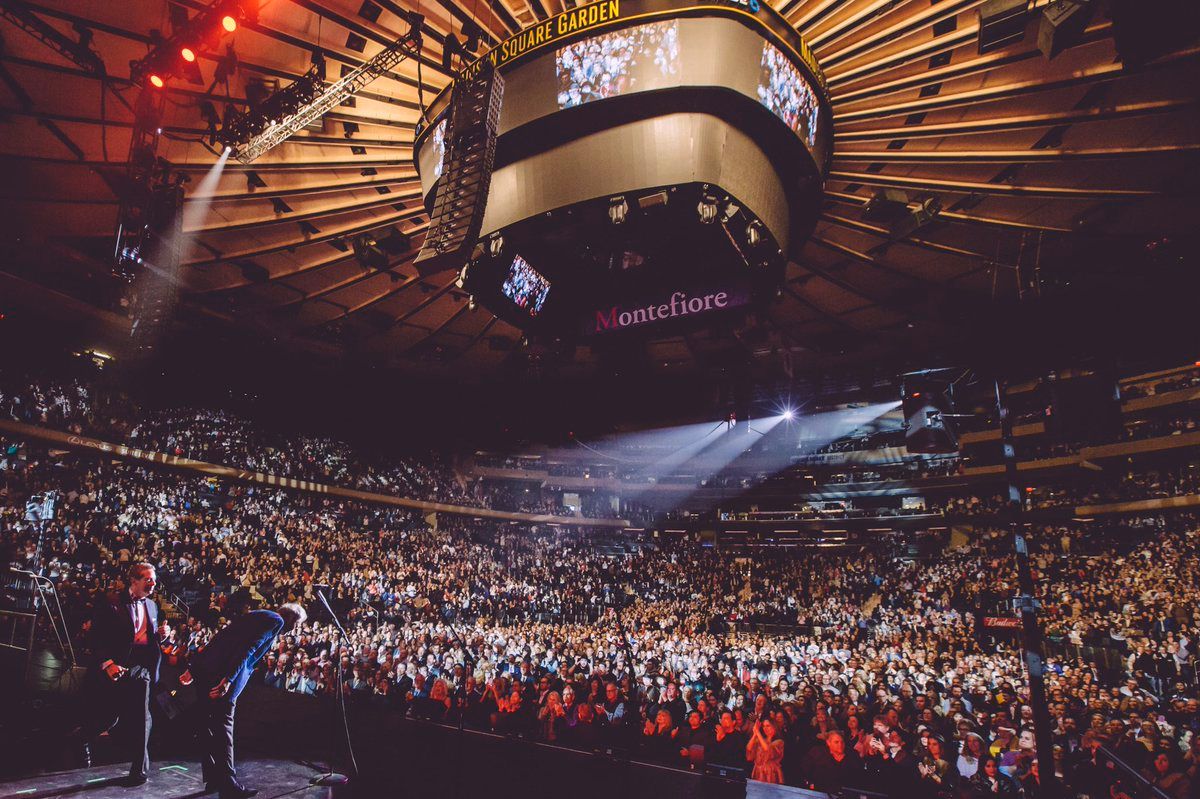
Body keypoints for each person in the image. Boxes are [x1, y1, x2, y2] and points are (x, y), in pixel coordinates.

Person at [181, 603, 307, 799]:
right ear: (291, 617)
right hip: (223, 676)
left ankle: (214, 778)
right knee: (224, 727)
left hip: (207, 672)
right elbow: (249, 649)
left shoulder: (258, 614)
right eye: (297, 623)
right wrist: (229, 679)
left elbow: (220, 637)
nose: (295, 628)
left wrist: (194, 667)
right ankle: (229, 785)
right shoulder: (276, 621)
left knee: (208, 726)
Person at [75, 562, 162, 786]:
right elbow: (96, 637)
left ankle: (139, 770)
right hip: (115, 667)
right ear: (134, 580)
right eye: (148, 579)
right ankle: (82, 738)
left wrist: (161, 633)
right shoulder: (111, 602)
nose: (153, 584)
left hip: (140, 669)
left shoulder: (153, 606)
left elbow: (149, 640)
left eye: (154, 579)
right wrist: (108, 663)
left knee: (143, 717)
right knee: (108, 717)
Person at [746, 717, 785, 784]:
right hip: (758, 772)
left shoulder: (779, 742)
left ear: (774, 726)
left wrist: (758, 733)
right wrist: (755, 734)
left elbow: (768, 750)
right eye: (763, 726)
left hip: (771, 774)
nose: (765, 728)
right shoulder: (760, 740)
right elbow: (749, 750)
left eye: (768, 726)